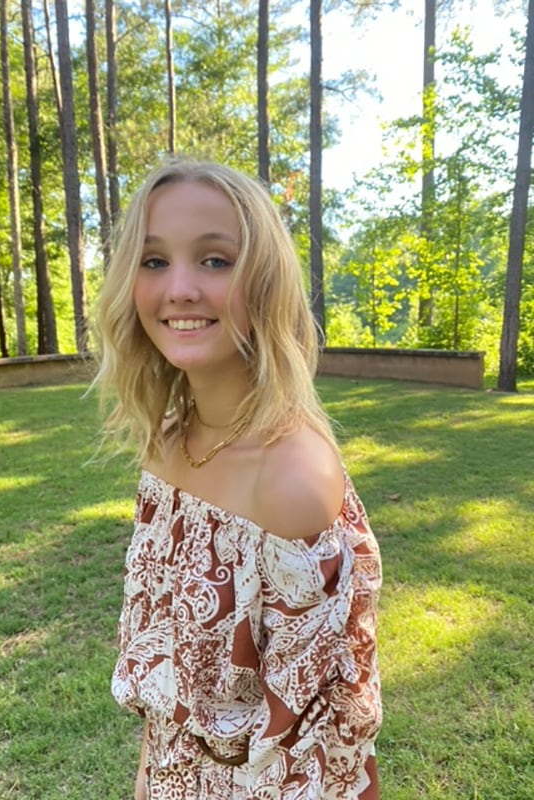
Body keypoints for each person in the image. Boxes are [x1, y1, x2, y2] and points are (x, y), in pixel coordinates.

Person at [95, 158, 382, 800]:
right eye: (154, 260)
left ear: (266, 280)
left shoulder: (292, 481)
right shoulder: (168, 444)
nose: (181, 289)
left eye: (216, 260)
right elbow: (169, 685)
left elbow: (314, 749)